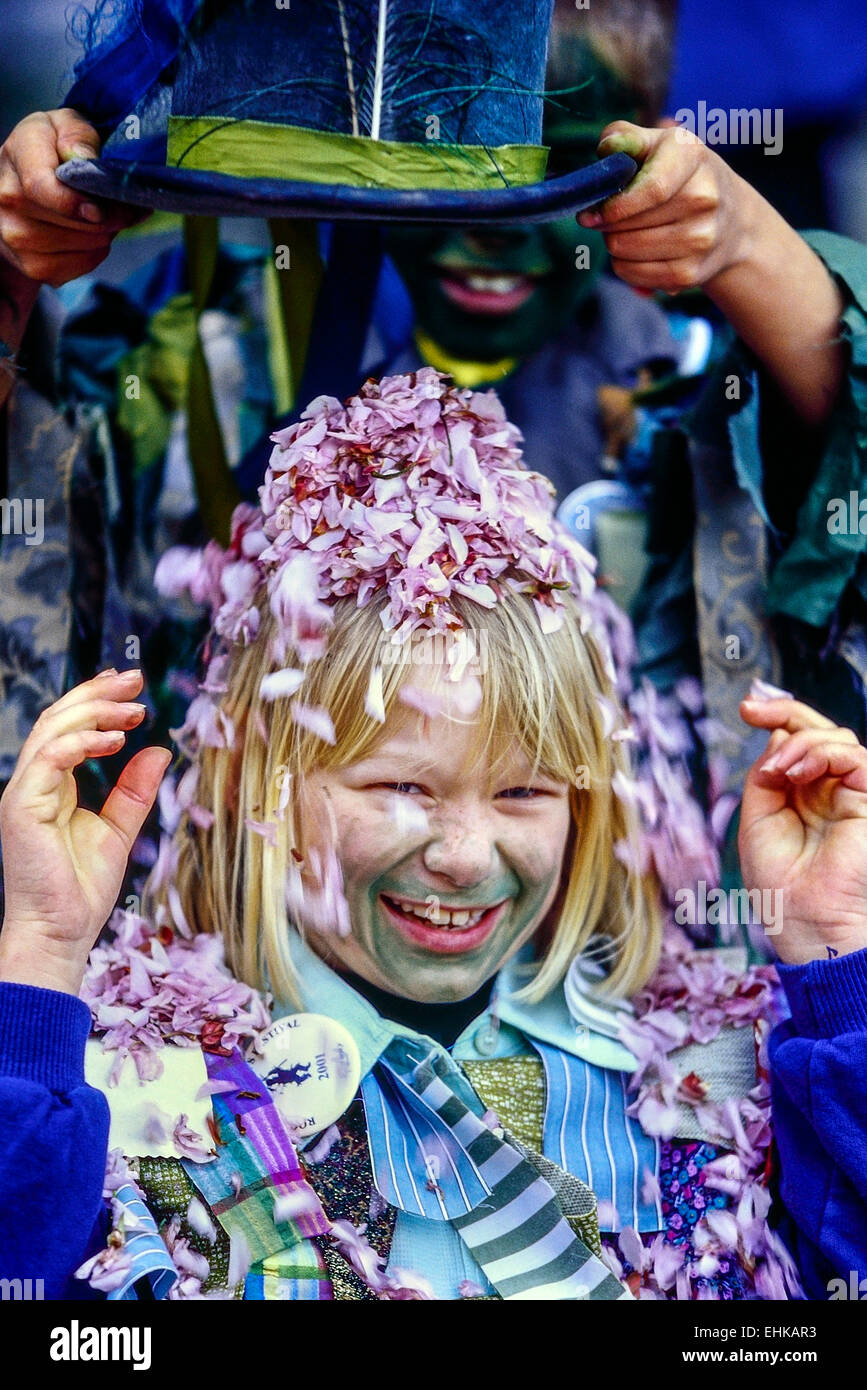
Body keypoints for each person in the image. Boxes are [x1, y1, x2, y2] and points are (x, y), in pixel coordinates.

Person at [0, 368, 865, 1302]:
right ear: (268, 787)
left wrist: (834, 948)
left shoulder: (714, 1067)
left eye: (525, 791)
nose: (463, 855)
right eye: (403, 786)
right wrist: (44, 954)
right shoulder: (129, 1085)